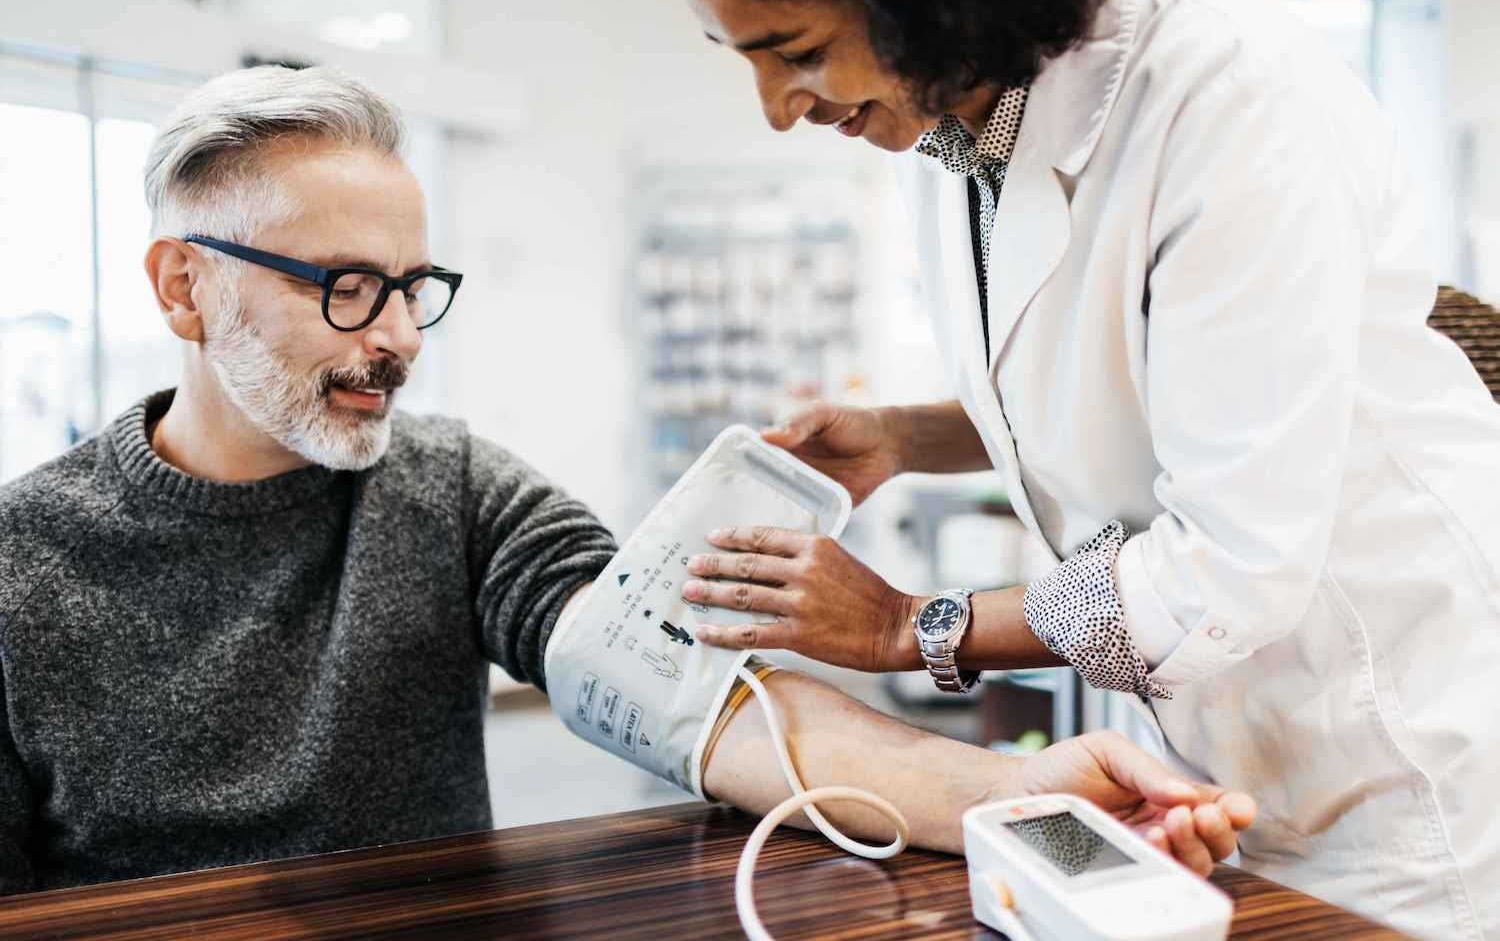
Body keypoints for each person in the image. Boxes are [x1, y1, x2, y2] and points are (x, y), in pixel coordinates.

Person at [0, 65, 1254, 896]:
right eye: (345, 286)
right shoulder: (25, 560)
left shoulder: (451, 490)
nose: (397, 336)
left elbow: (692, 695)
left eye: (412, 288)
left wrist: (1002, 789)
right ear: (182, 285)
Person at [656, 0, 1500, 937]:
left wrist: (914, 627)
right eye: (740, 56)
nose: (776, 107)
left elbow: (1232, 563)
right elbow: (1113, 381)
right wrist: (904, 437)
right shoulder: (949, 127)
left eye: (795, 51)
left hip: (1405, 749)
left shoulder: (1232, 95)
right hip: (1223, 746)